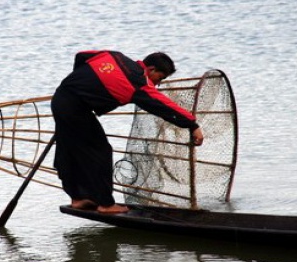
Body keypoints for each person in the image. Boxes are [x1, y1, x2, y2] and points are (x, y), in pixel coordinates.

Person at [51, 50, 204, 214]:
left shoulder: (115, 56)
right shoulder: (138, 83)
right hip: (75, 109)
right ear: (151, 69)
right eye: (160, 78)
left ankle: (77, 198)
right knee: (100, 152)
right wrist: (192, 125)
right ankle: (106, 204)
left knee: (68, 148)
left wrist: (81, 83)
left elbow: (81, 56)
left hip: (61, 97)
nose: (158, 84)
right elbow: (164, 107)